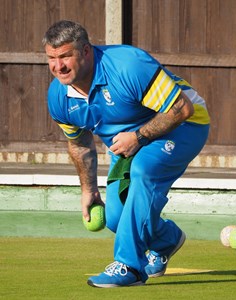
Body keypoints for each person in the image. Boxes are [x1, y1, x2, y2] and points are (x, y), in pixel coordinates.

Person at [42, 20, 210, 288]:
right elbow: (80, 144)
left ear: (85, 51)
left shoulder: (127, 65)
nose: (57, 66)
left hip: (184, 124)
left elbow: (181, 108)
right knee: (116, 218)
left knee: (144, 170)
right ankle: (166, 239)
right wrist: (88, 190)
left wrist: (139, 137)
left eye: (65, 57)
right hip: (132, 141)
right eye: (51, 58)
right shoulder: (58, 98)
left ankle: (129, 267)